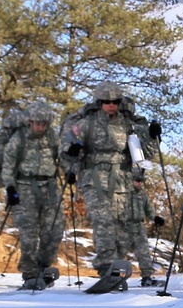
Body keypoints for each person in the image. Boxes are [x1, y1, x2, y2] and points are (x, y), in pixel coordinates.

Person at [60, 81, 159, 279]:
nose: (111, 105)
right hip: (94, 176)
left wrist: (152, 136)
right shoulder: (85, 123)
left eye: (115, 101)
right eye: (106, 101)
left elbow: (143, 154)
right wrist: (70, 158)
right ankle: (106, 265)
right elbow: (66, 145)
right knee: (102, 220)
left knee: (122, 225)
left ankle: (117, 262)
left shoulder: (129, 125)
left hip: (122, 179)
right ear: (99, 102)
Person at [2, 101, 63, 289]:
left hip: (50, 187)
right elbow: (8, 165)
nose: (40, 127)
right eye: (38, 123)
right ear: (30, 121)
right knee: (29, 234)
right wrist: (10, 189)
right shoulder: (18, 139)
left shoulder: (52, 137)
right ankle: (29, 273)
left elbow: (62, 156)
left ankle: (44, 267)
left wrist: (70, 170)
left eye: (44, 124)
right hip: (24, 187)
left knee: (54, 230)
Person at [121, 167, 165, 286]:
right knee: (119, 251)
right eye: (137, 180)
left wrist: (156, 218)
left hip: (139, 226)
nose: (140, 183)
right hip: (124, 225)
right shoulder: (122, 192)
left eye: (141, 180)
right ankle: (112, 276)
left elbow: (149, 210)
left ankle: (147, 277)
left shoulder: (142, 195)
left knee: (144, 251)